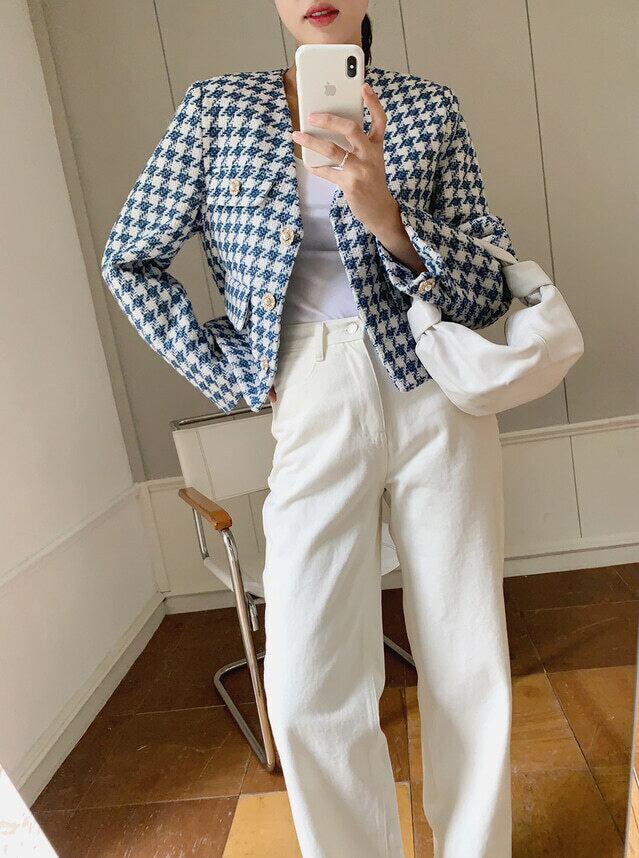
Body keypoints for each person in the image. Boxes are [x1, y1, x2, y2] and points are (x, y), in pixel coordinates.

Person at [101, 3, 517, 855]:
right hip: (310, 386)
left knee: (466, 657)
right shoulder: (217, 107)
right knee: (304, 683)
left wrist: (388, 216)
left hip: (432, 383)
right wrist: (235, 370)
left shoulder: (428, 106)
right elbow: (129, 258)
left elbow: (487, 284)